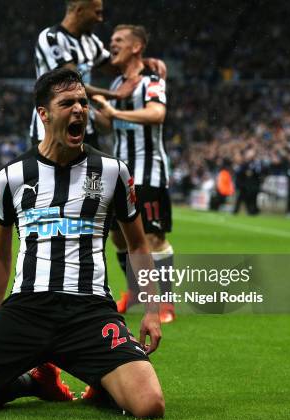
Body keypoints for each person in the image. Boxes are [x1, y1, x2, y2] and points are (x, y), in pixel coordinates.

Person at [0, 68, 165, 418]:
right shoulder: (11, 177)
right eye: (67, 103)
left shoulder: (112, 171)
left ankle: (103, 379)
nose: (79, 110)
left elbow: (137, 246)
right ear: (43, 114)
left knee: (149, 406)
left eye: (83, 102)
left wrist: (151, 309)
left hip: (90, 312)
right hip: (26, 310)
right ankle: (32, 382)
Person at [91, 25, 174, 323]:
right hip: (121, 172)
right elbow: (107, 126)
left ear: (136, 46)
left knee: (152, 236)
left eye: (118, 41)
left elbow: (157, 114)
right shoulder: (115, 83)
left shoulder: (151, 80)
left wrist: (116, 113)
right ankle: (136, 291)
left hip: (149, 170)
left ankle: (165, 302)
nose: (111, 45)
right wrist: (99, 112)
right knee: (119, 238)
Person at [30, 0, 166, 147]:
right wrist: (115, 95)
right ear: (80, 10)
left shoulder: (90, 41)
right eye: (97, 12)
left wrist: (143, 62)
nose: (100, 19)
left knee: (91, 168)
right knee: (54, 170)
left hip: (83, 127)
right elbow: (71, 84)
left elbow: (115, 66)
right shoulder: (51, 38)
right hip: (51, 127)